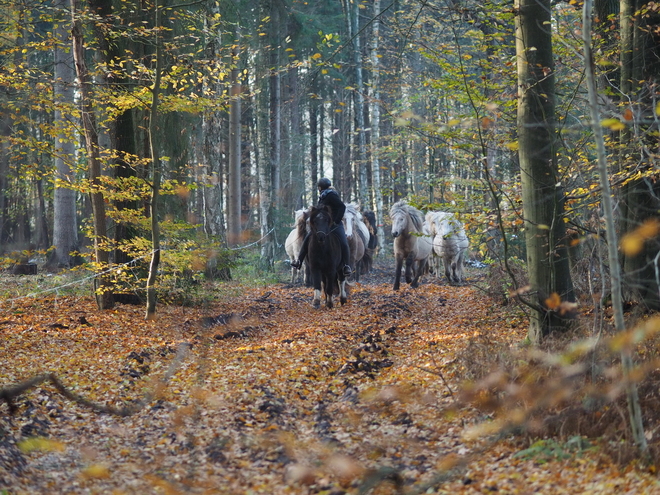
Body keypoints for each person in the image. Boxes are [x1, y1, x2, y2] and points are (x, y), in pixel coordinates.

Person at [291, 178, 352, 277]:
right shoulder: (323, 196)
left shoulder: (331, 195)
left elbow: (342, 207)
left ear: (319, 187)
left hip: (335, 225)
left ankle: (346, 266)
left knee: (343, 242)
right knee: (307, 239)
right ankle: (299, 261)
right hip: (323, 225)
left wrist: (336, 221)